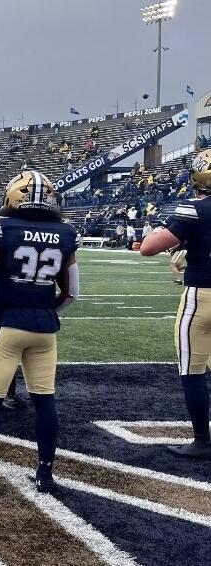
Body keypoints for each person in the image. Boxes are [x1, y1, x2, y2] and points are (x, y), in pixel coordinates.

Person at [0, 171, 80, 494]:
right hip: (45, 330)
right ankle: (46, 474)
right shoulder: (65, 232)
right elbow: (72, 292)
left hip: (7, 325)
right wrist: (48, 309)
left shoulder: (1, 227)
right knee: (45, 402)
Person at [139, 149, 211, 460]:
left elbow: (148, 248)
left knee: (192, 371)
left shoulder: (193, 210)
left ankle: (202, 441)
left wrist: (162, 232)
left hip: (201, 295)